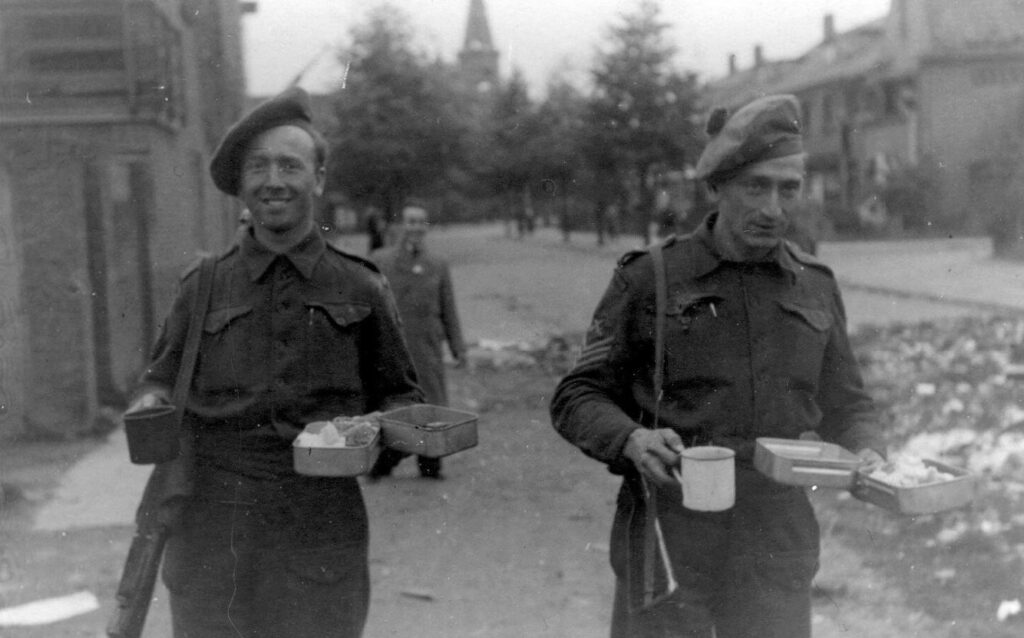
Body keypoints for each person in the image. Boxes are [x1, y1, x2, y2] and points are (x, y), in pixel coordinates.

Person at [549, 94, 885, 638]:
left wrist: (868, 449)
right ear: (717, 186)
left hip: (774, 537)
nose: (773, 208)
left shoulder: (815, 285)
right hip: (670, 530)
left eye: (788, 189)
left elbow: (848, 405)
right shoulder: (650, 278)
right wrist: (631, 440)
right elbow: (577, 395)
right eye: (756, 187)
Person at [127, 87, 423, 638]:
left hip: (319, 525)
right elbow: (159, 378)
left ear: (318, 179)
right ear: (241, 184)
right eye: (259, 167)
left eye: (290, 165)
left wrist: (374, 431)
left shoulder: (360, 284)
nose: (274, 180)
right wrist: (152, 402)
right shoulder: (203, 284)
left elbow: (403, 397)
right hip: (213, 531)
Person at [368, 201, 466, 479]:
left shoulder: (438, 264)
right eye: (410, 222)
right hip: (393, 346)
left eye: (421, 222)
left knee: (431, 402)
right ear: (401, 225)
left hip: (427, 346)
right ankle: (387, 458)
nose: (415, 228)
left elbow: (448, 308)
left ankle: (430, 462)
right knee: (393, 404)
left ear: (426, 228)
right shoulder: (381, 260)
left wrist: (458, 347)